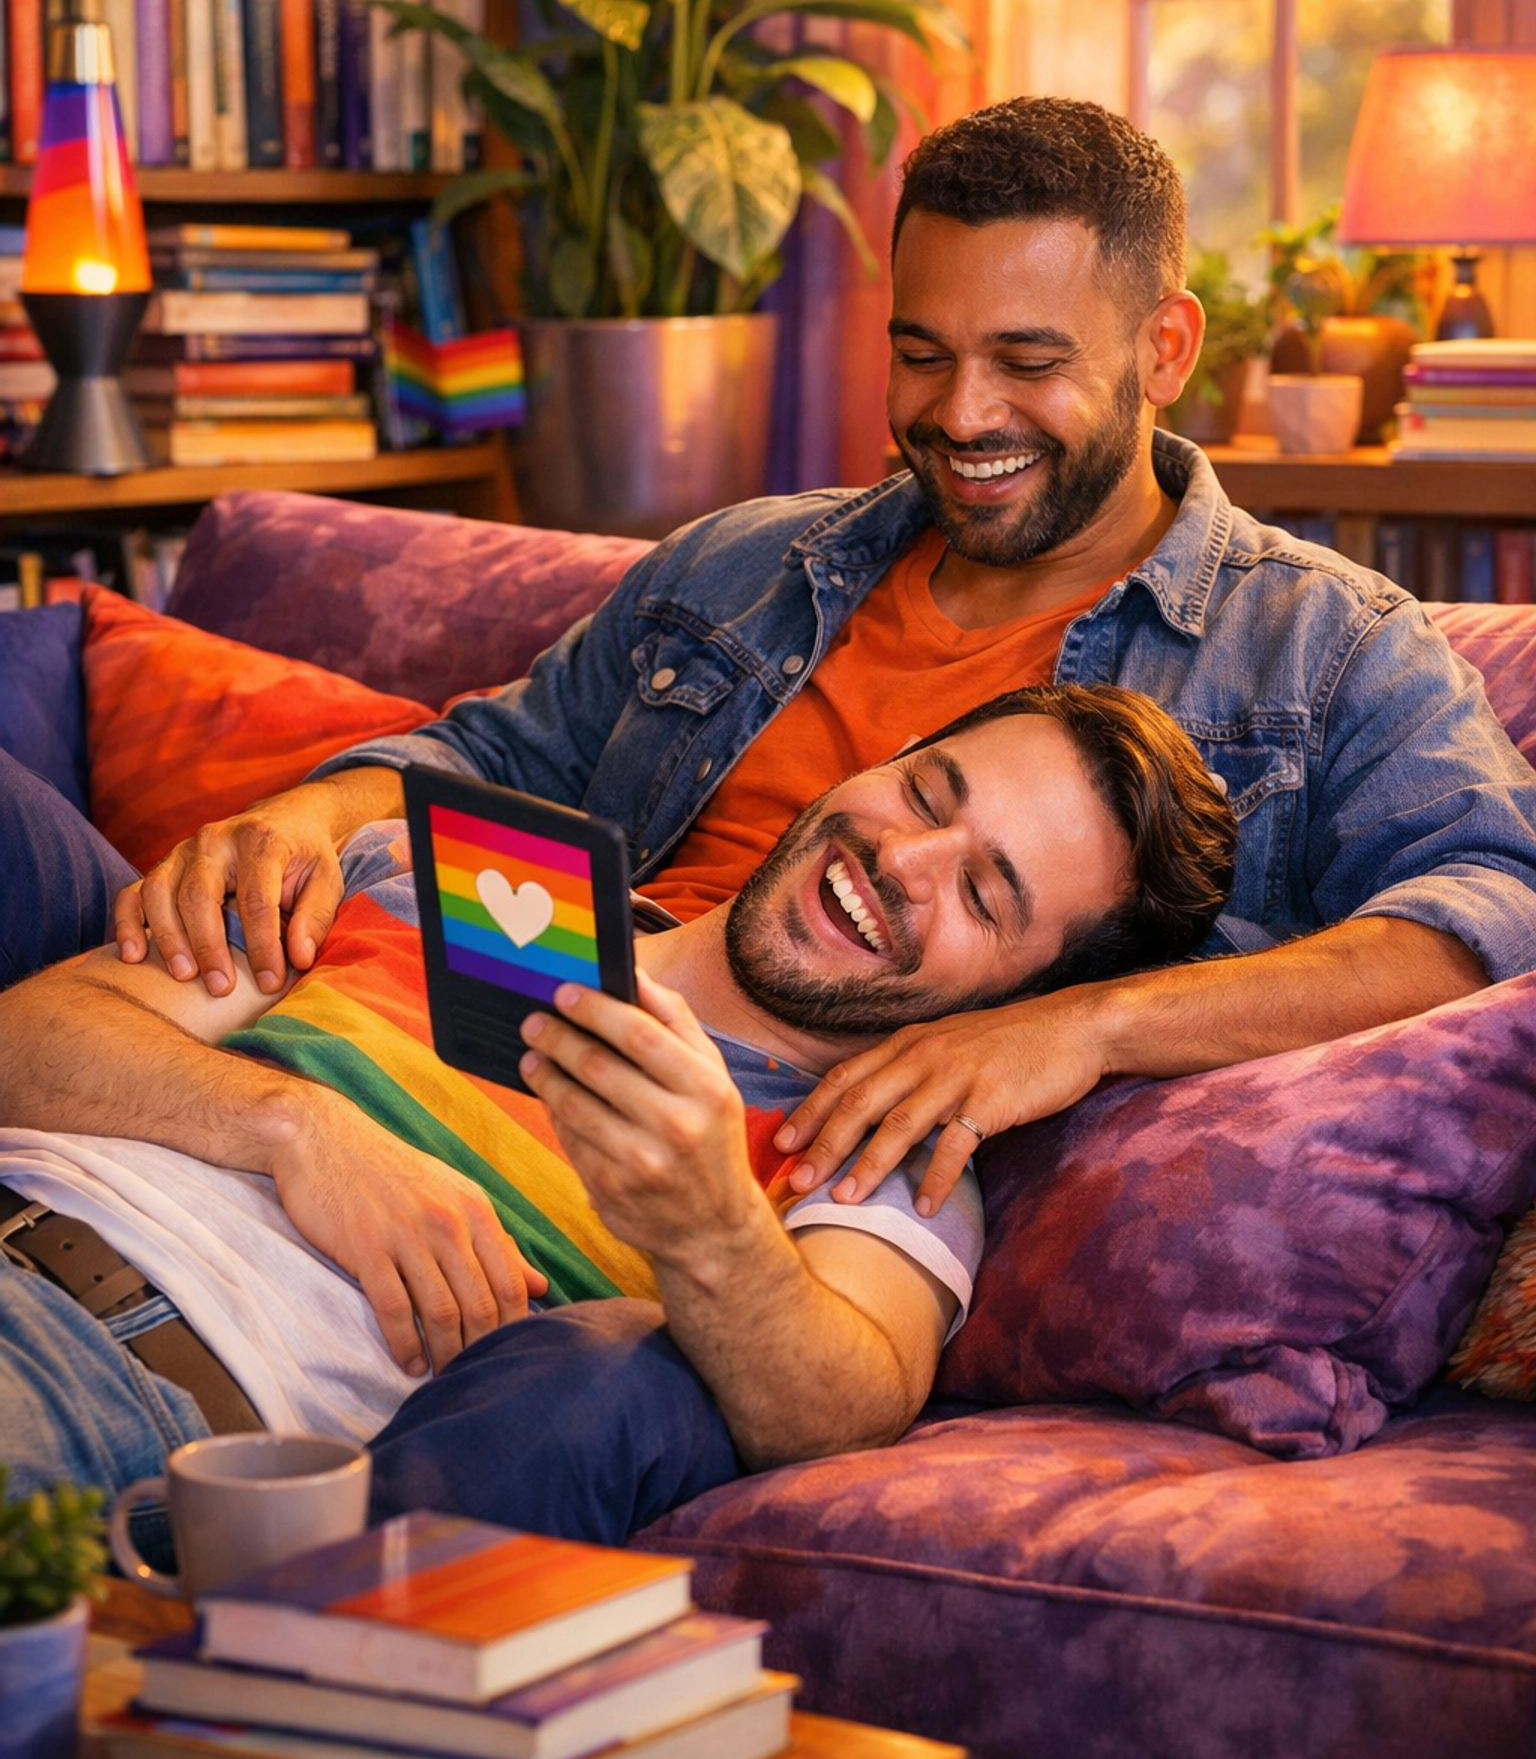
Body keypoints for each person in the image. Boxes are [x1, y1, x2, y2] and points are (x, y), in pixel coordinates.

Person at [10, 97, 1536, 1267]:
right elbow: (495, 755)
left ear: (1166, 349)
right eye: (921, 353)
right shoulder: (746, 562)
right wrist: (304, 811)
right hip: (458, 1014)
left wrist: (1085, 1028)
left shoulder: (1326, 650)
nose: (961, 413)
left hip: (718, 1173)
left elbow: (1490, 917)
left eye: (1027, 360)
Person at [0, 687, 1234, 1543]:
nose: (900, 862)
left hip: (123, 1381)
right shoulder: (483, 885)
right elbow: (29, 1038)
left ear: (1019, 994)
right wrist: (293, 1129)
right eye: (926, 792)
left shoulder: (879, 1147)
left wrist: (707, 1226)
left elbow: (839, 1401)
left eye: (984, 891)